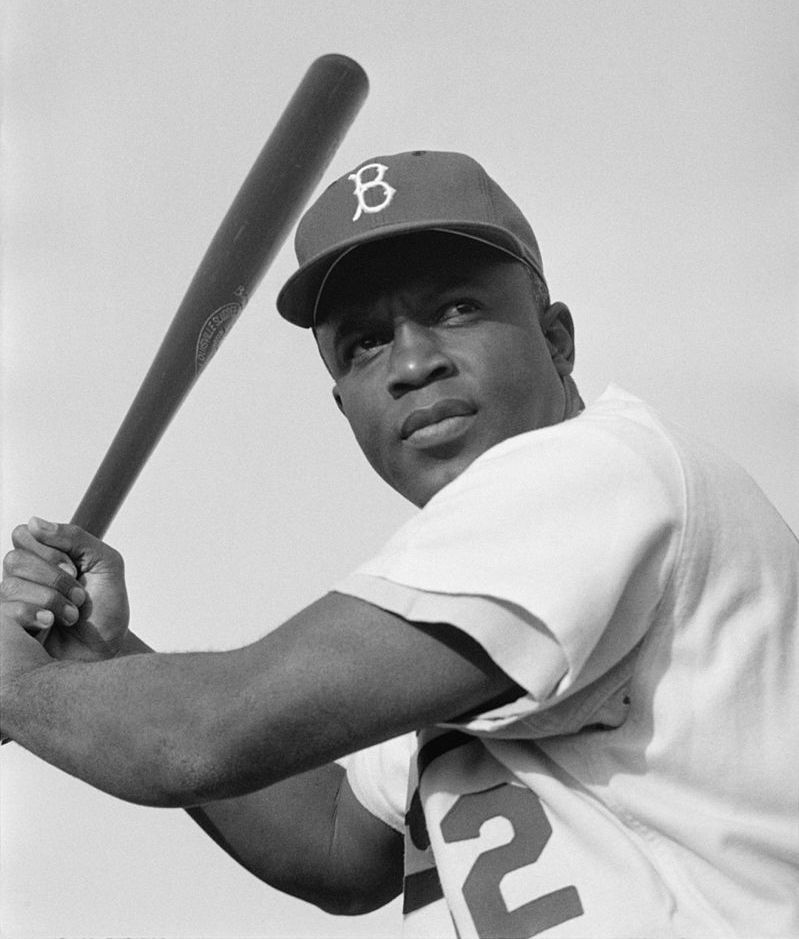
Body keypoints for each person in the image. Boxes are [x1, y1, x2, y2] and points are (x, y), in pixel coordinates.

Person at [2, 150, 797, 938]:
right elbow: (339, 840)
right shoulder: (469, 579)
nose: (413, 362)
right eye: (365, 342)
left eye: (455, 308)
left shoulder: (594, 472)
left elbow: (202, 735)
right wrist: (98, 660)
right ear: (341, 403)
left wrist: (17, 682)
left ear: (556, 339)